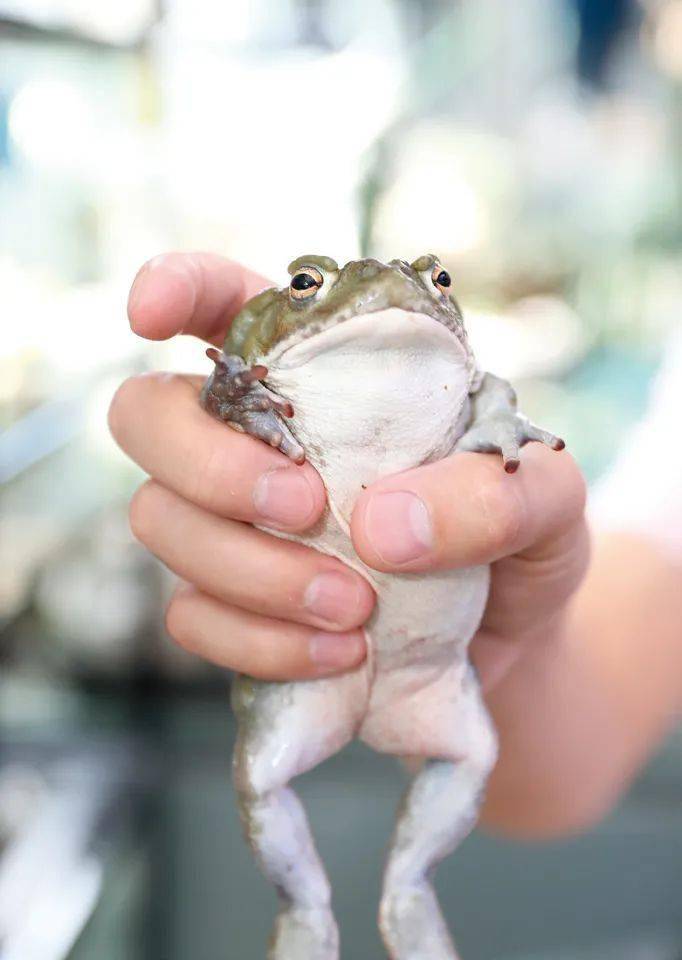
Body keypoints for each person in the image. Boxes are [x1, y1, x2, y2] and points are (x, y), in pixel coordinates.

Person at [108, 252, 682, 838]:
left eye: (439, 282)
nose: (389, 292)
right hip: (387, 656)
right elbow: (568, 772)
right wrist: (506, 635)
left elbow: (493, 397)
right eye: (308, 284)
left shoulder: (466, 386)